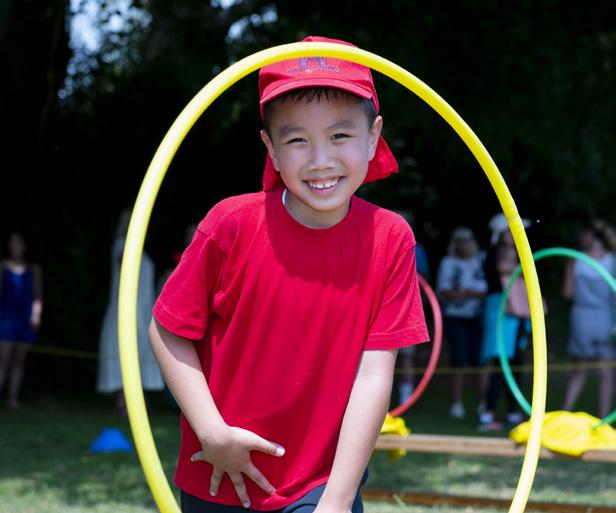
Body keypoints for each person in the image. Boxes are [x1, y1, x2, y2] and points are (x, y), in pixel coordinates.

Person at [149, 36, 429, 513]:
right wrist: (212, 432)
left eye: (339, 136)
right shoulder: (230, 225)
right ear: (271, 149)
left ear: (373, 136)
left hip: (321, 484)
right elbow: (167, 330)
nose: (320, 160)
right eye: (297, 140)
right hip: (219, 473)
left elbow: (373, 374)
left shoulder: (390, 238)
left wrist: (337, 499)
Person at [97, 209, 164, 415]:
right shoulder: (122, 245)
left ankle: (136, 401)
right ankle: (122, 401)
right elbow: (123, 259)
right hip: (125, 310)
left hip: (143, 311)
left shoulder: (144, 251)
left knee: (141, 352)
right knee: (123, 351)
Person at [479, 214, 532, 430]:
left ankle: (511, 411)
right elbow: (503, 268)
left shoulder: (512, 251)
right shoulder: (498, 252)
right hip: (501, 309)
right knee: (501, 361)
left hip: (514, 310)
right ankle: (488, 412)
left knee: (515, 360)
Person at [562, 219, 616, 419]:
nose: (580, 237)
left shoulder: (576, 260)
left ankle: (565, 413)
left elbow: (567, 293)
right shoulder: (612, 260)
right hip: (605, 318)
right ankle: (604, 420)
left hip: (582, 318)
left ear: (592, 236)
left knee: (580, 370)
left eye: (584, 233)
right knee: (605, 373)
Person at [436, 226, 487, 419]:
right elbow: (446, 292)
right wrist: (470, 293)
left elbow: (486, 291)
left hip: (477, 317)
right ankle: (457, 404)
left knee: (479, 360)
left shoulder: (481, 259)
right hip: (455, 317)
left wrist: (465, 293)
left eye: (466, 240)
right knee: (458, 359)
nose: (463, 244)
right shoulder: (448, 263)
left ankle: (483, 403)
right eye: (459, 241)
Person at [0, 232, 43, 408]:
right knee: (3, 359)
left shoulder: (33, 269)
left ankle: (13, 398)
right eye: (12, 242)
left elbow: (37, 295)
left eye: (18, 242)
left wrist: (36, 315)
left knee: (19, 361)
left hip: (25, 318)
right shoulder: (2, 266)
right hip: (6, 317)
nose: (15, 246)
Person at [393, 210, 430, 405]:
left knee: (406, 356)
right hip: (383, 309)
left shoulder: (417, 249)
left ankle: (405, 399)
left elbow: (422, 278)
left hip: (406, 309)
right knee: (377, 357)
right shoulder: (380, 243)